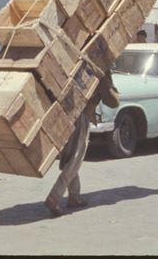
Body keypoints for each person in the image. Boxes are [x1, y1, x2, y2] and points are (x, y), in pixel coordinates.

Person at [44, 71, 120, 217]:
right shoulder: (100, 68)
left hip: (64, 112)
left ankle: (74, 196)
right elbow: (112, 101)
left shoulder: (79, 63)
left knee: (71, 155)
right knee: (76, 158)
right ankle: (54, 197)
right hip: (81, 116)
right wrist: (112, 88)